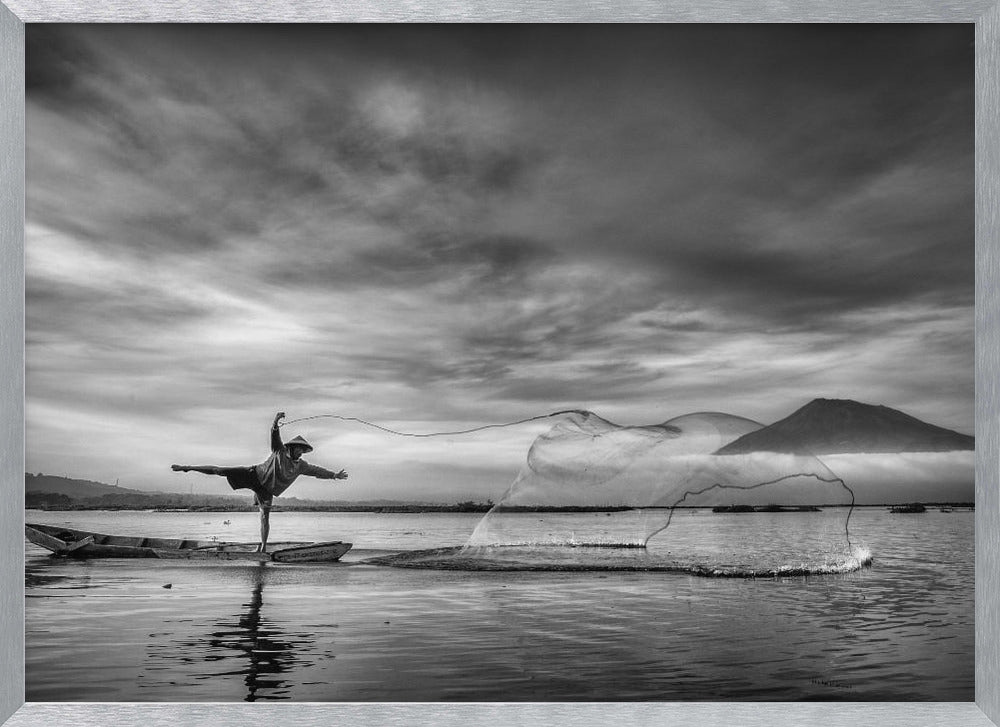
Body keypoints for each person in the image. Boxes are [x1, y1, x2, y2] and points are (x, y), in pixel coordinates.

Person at [172, 412, 348, 552]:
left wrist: (334, 475)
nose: (301, 452)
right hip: (254, 474)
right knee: (220, 471)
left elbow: (317, 471)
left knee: (264, 516)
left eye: (303, 450)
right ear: (292, 448)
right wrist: (275, 422)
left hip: (266, 490)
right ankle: (187, 467)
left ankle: (263, 547)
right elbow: (275, 436)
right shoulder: (279, 451)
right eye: (299, 449)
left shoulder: (301, 465)